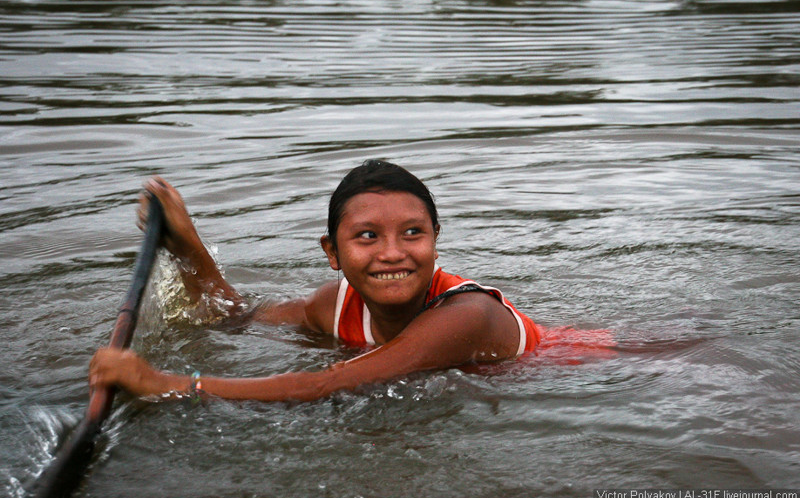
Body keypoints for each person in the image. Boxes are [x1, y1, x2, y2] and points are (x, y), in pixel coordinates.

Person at [89, 160, 579, 403]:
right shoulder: (334, 303)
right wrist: (186, 244)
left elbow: (329, 382)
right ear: (333, 253)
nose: (393, 252)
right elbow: (233, 318)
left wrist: (166, 384)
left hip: (585, 368)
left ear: (435, 241)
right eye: (367, 236)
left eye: (413, 233)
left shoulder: (466, 316)